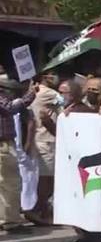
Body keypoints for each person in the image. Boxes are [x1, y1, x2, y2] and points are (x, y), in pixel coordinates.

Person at [0, 78, 35, 233]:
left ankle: (5, 218)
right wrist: (29, 96)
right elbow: (9, 108)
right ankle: (11, 222)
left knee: (4, 185)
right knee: (11, 184)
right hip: (3, 145)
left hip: (5, 144)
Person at [27, 71, 60, 225]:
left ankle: (43, 210)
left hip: (40, 139)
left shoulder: (32, 91)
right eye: (52, 74)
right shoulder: (48, 93)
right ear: (44, 77)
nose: (56, 77)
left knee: (44, 177)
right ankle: (38, 209)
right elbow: (67, 98)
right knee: (46, 178)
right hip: (46, 140)